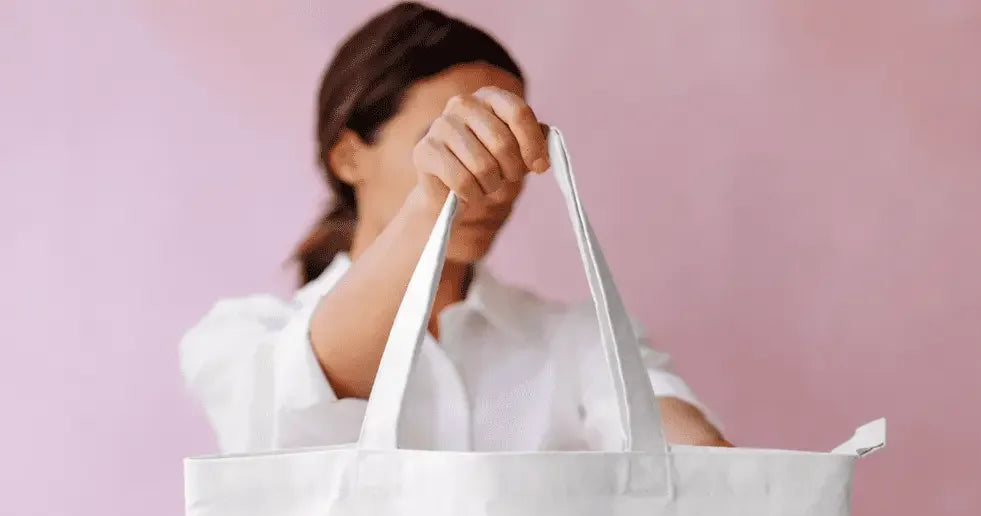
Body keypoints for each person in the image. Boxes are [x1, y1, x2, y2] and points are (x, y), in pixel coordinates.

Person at [180, 2, 730, 455]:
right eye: (443, 140)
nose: (493, 179)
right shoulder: (241, 339)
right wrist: (432, 201)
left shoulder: (580, 339)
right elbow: (304, 397)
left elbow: (689, 456)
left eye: (504, 149)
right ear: (349, 158)